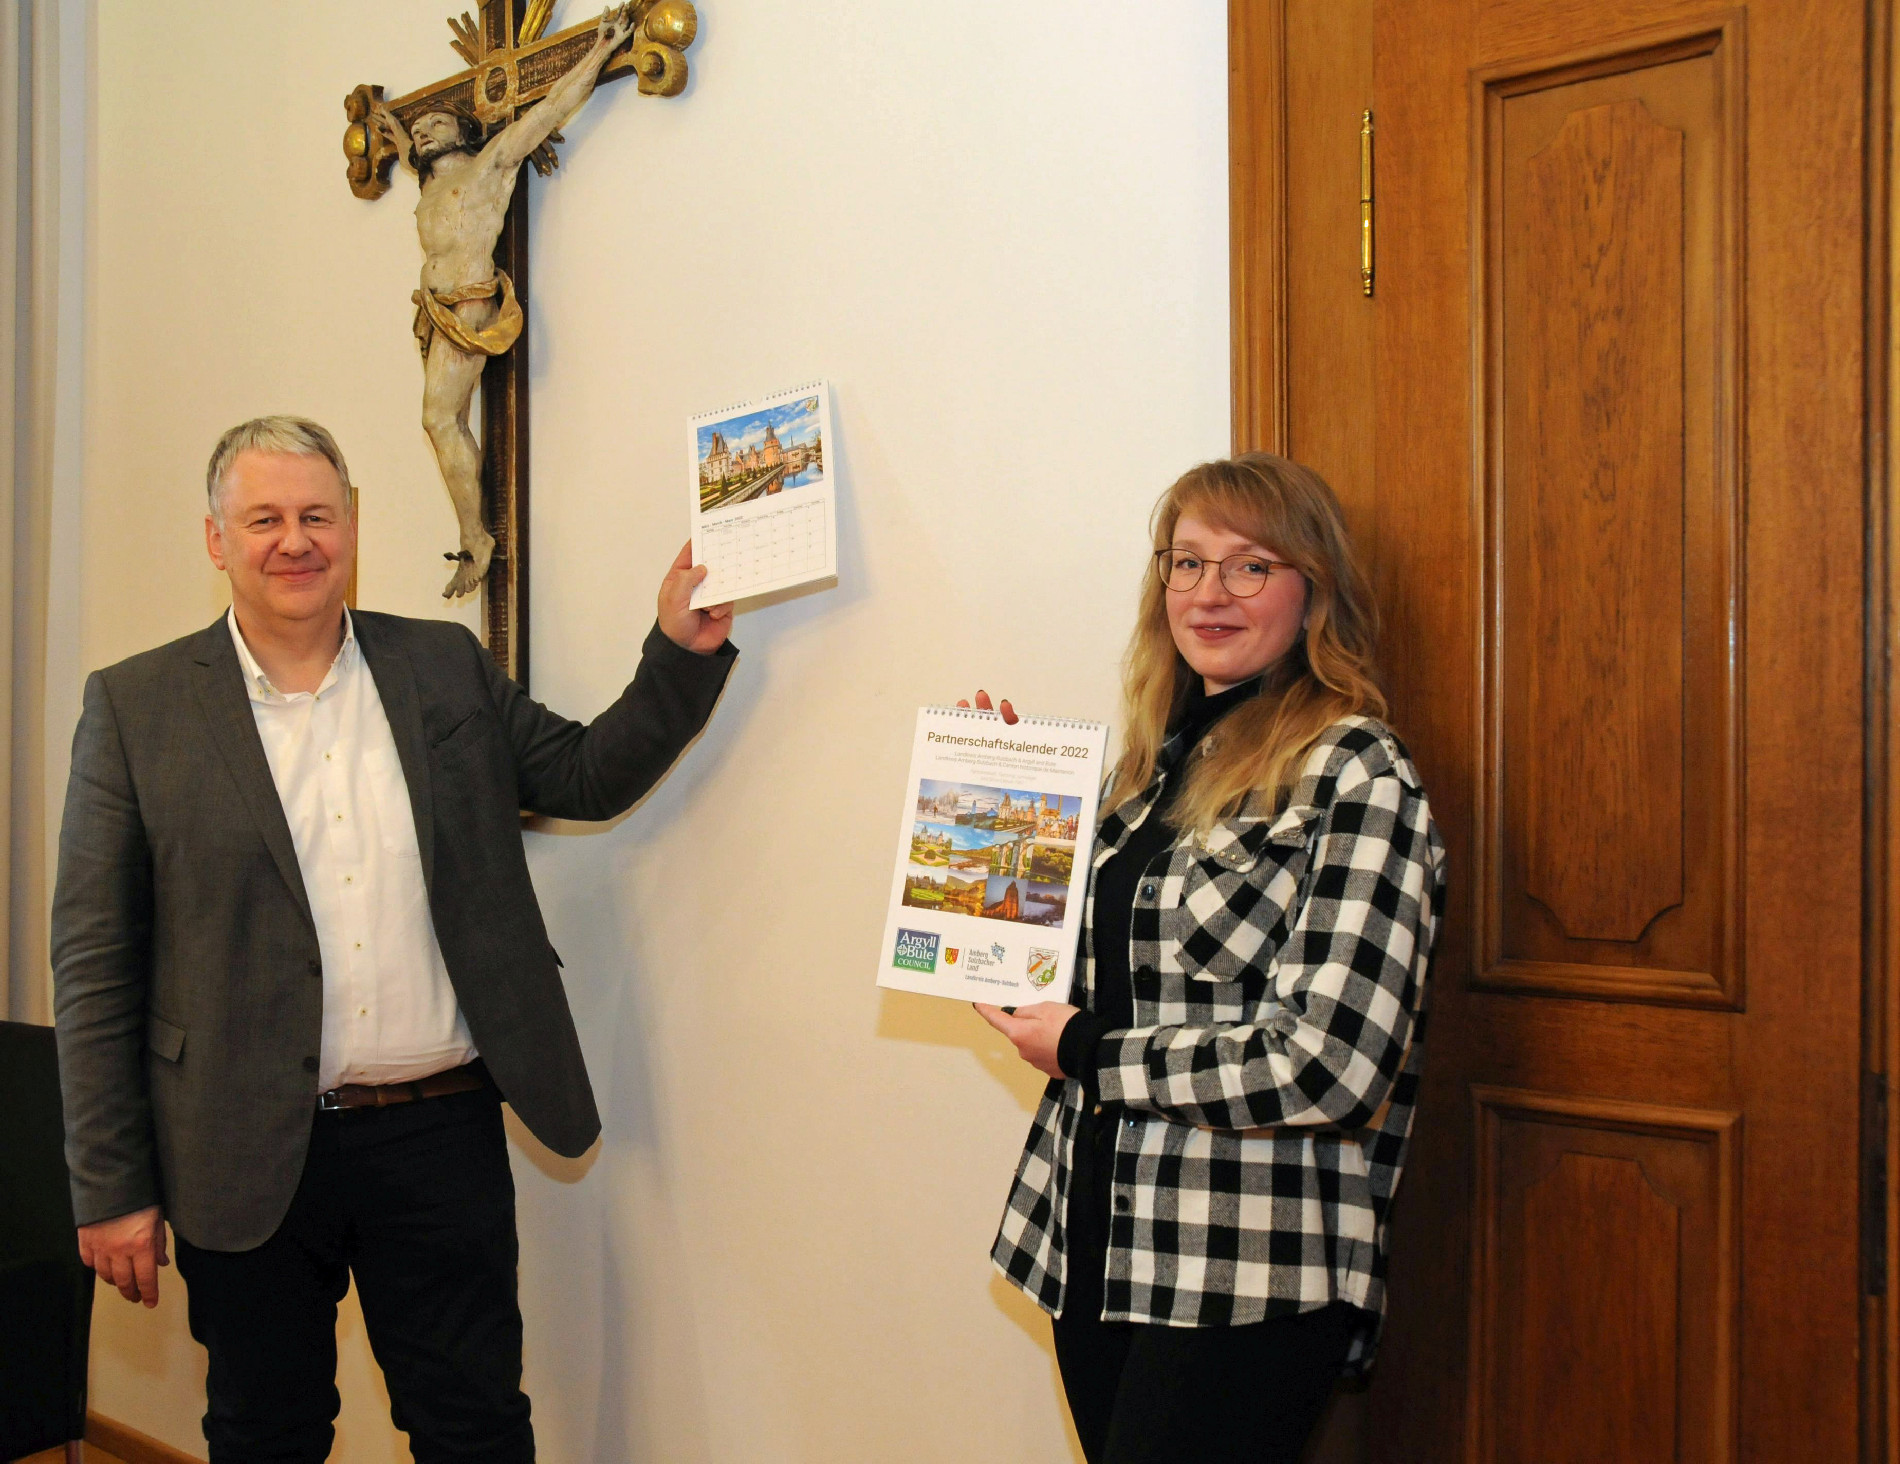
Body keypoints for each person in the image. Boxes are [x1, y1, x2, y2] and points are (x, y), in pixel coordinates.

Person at [51, 415, 735, 1462]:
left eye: (317, 515)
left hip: (437, 1137)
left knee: (473, 1429)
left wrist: (681, 654)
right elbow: (96, 969)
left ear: (353, 525)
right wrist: (111, 1187)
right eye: (265, 518)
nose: (295, 540)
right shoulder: (138, 707)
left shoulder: (440, 667)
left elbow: (586, 776)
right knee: (263, 1432)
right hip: (240, 1150)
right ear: (215, 539)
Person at [974, 453, 1445, 1464]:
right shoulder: (1144, 770)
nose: (1208, 594)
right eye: (1185, 564)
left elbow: (1329, 1065)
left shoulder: (1353, 769)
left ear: (1312, 590)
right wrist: (997, 810)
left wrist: (1089, 1050)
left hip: (1244, 1269)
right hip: (1092, 1246)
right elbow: (1075, 982)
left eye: (1249, 566)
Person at [370, 6, 638, 598]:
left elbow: (548, 109)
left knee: (438, 419)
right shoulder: (431, 183)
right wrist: (389, 125)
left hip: (469, 306)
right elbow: (400, 140)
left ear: (466, 132)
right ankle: (474, 533)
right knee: (444, 420)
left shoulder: (492, 163)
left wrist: (599, 50)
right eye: (419, 129)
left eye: (435, 122)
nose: (422, 131)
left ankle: (477, 539)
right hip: (433, 312)